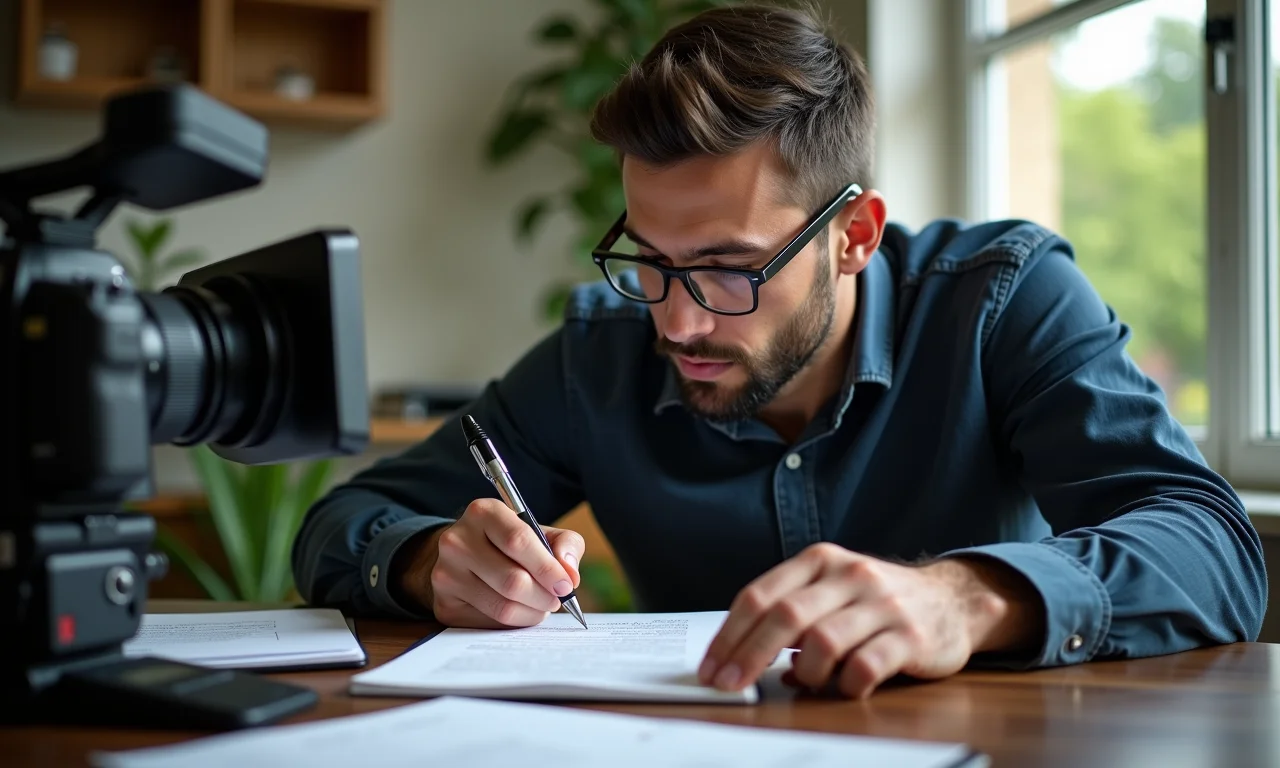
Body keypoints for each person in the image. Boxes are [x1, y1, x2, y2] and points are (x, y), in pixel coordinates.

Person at [291, 3, 1267, 699]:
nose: (675, 325)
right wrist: (427, 561)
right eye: (649, 260)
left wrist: (963, 599)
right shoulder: (599, 356)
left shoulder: (1000, 304)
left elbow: (1214, 550)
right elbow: (343, 522)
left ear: (853, 237)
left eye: (727, 268)